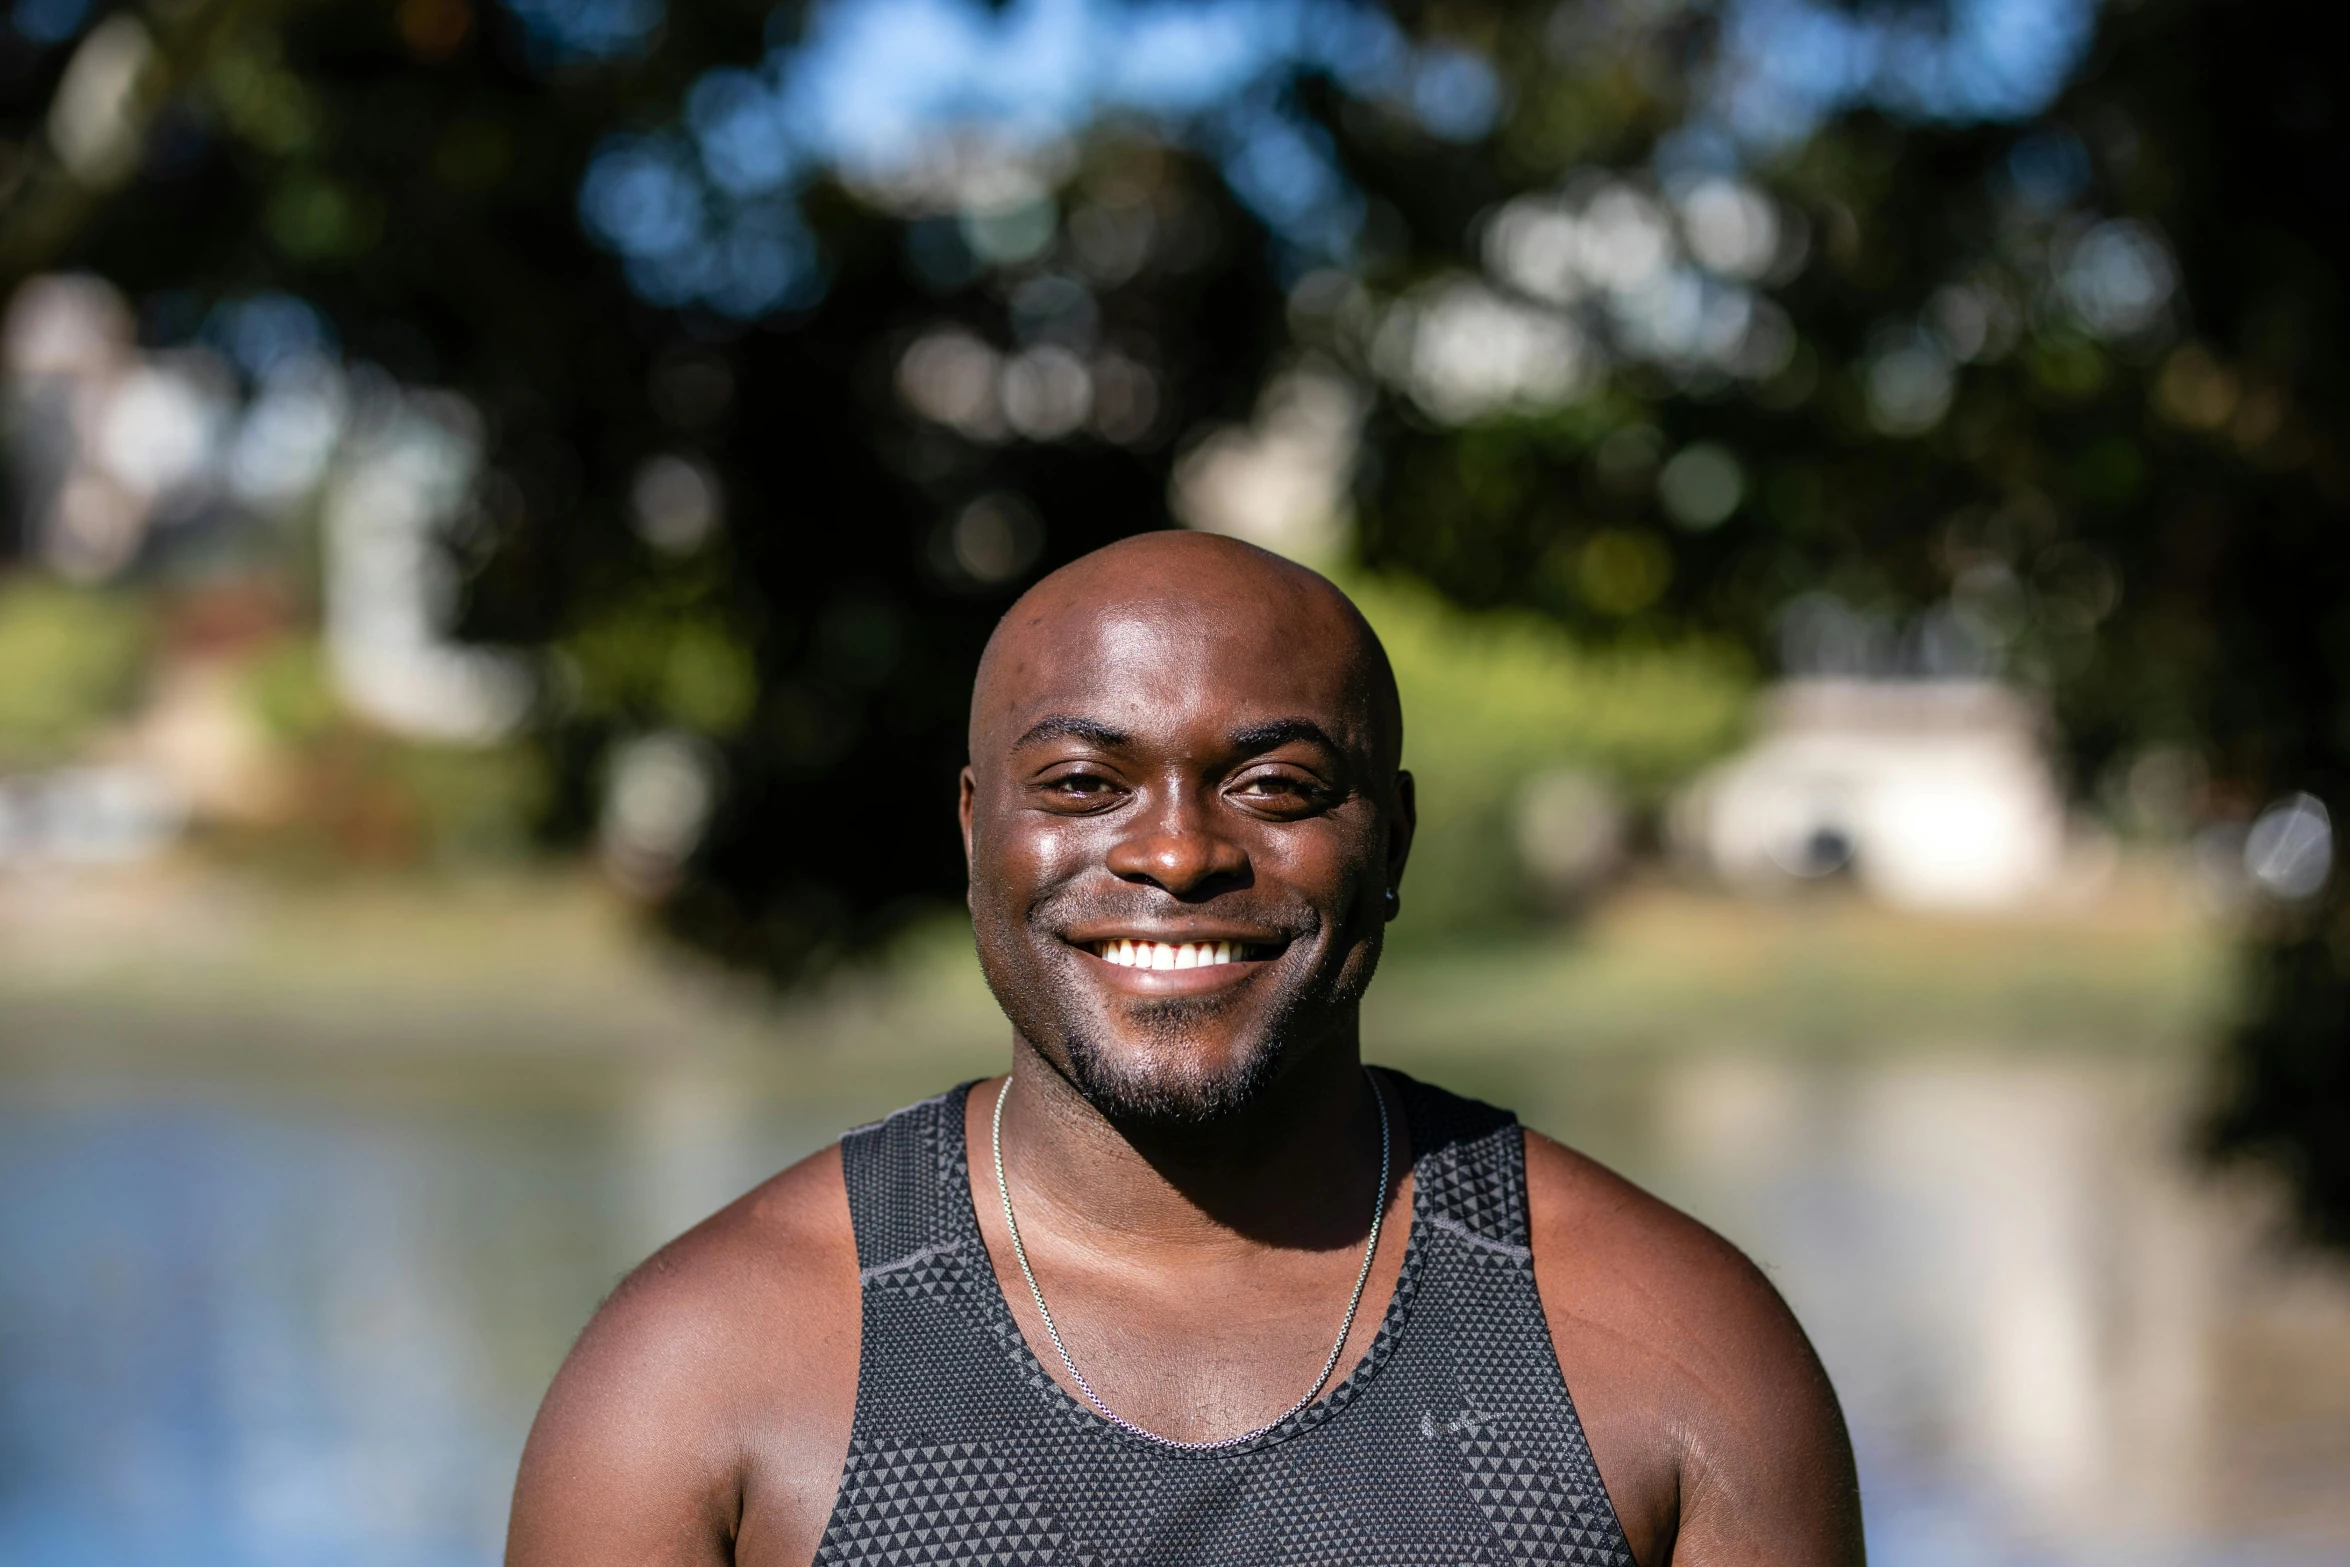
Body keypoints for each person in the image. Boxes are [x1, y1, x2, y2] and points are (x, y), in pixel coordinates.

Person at [507, 531, 1864, 1567]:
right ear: (976, 830)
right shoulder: (695, 1369)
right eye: (1084, 785)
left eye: (1273, 785)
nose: (1174, 852)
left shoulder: (1670, 1344)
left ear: (1388, 837)